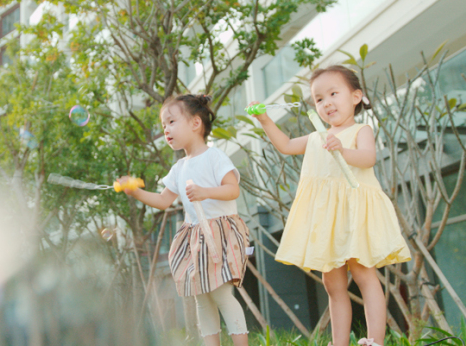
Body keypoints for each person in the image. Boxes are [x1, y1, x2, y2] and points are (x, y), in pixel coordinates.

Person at [249, 65, 411, 346]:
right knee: (333, 284)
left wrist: (342, 150)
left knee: (364, 274)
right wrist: (265, 120)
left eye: (333, 93)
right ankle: (339, 343)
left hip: (355, 214)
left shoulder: (361, 130)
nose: (326, 103)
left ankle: (375, 341)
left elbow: (368, 158)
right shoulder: (315, 138)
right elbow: (286, 145)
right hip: (328, 219)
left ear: (356, 96)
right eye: (319, 99)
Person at [117, 94, 250, 346]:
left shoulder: (214, 157)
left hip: (220, 233)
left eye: (171, 121)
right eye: (163, 125)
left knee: (222, 294)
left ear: (195, 123)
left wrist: (206, 192)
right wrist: (134, 191)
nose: (166, 129)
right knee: (201, 295)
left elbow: (233, 189)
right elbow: (163, 200)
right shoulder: (178, 168)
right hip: (195, 237)